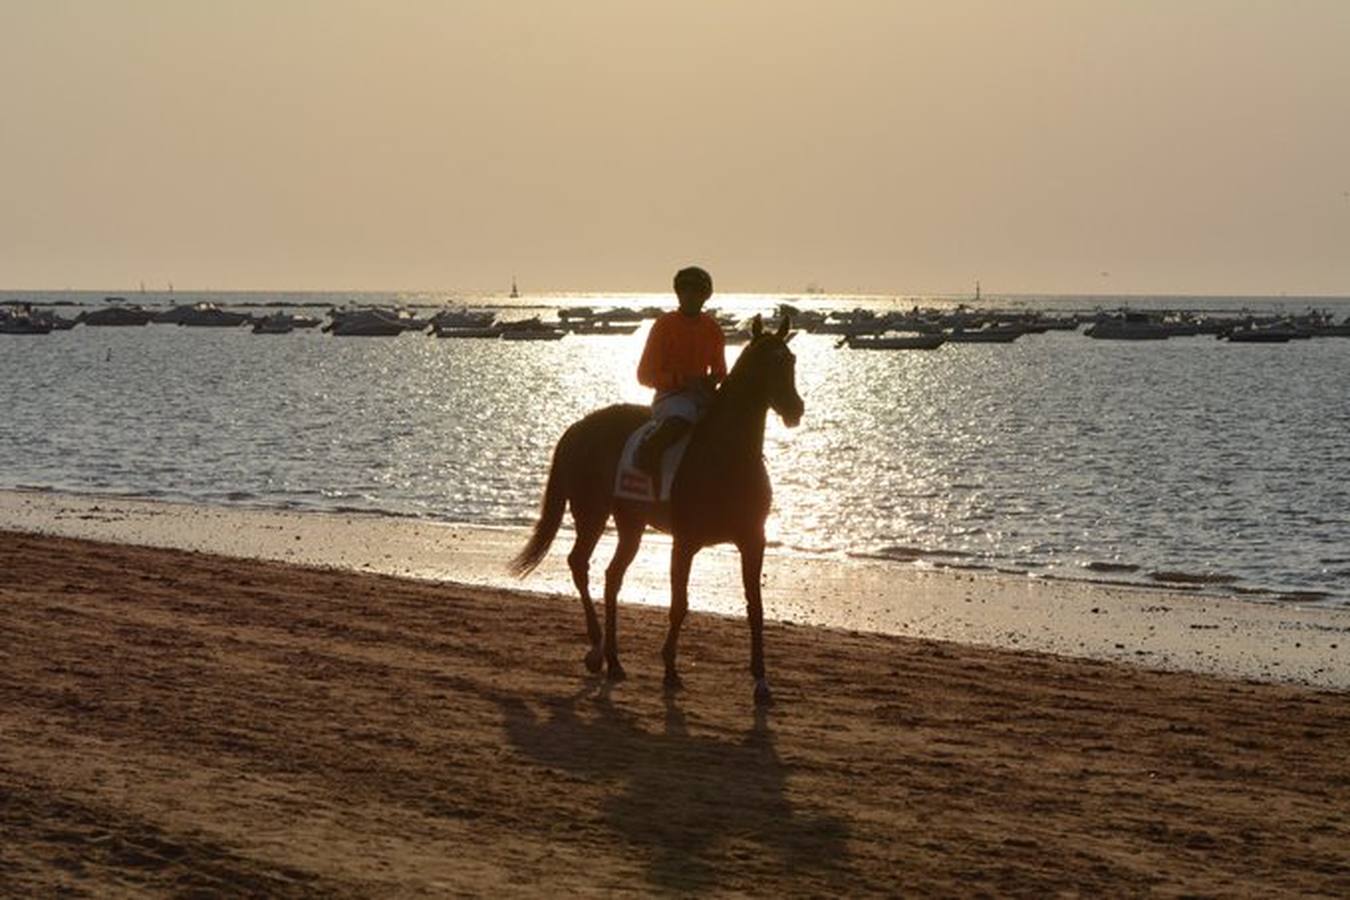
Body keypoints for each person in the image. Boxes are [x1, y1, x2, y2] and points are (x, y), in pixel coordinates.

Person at [634, 266, 727, 480]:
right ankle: (647, 461)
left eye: (697, 292)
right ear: (679, 294)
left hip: (703, 396)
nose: (691, 297)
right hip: (671, 397)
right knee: (681, 419)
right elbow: (645, 374)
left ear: (705, 297)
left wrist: (712, 380)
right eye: (686, 291)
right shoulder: (664, 325)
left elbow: (720, 370)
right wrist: (681, 380)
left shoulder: (713, 328)